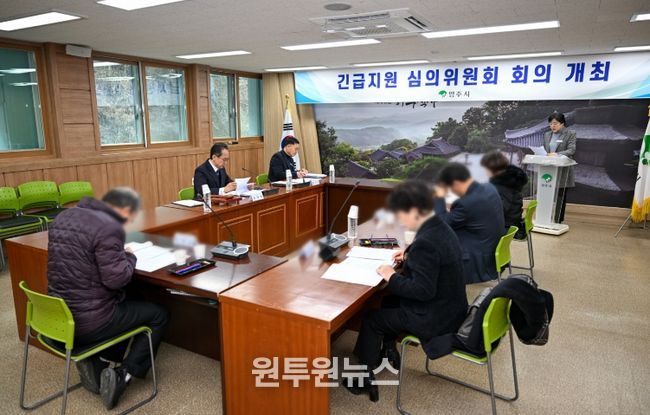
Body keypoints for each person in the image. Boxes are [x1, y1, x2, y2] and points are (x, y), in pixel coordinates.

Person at [47, 187, 169, 410]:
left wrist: (115, 253)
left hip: (57, 318)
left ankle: (99, 361)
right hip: (89, 323)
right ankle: (124, 375)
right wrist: (128, 255)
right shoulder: (108, 227)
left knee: (131, 299)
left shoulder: (62, 218)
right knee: (159, 314)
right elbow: (118, 279)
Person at [346, 180, 468, 402]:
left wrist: (390, 275)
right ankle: (388, 350)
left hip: (435, 317)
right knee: (388, 301)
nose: (399, 219)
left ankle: (363, 379)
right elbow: (433, 261)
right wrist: (409, 256)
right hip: (450, 307)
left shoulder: (426, 242)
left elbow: (422, 291)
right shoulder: (439, 226)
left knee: (372, 318)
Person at [434, 162, 504, 284]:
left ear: (456, 183)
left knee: (430, 242)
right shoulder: (489, 188)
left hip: (475, 262)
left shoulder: (465, 203)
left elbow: (440, 224)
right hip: (491, 251)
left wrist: (439, 197)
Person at [481, 150, 528, 239]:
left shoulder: (502, 185)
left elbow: (499, 210)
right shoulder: (510, 180)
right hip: (511, 221)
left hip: (505, 226)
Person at [544, 112, 576, 223]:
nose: (552, 126)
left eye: (555, 123)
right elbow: (546, 151)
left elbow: (571, 150)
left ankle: (557, 220)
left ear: (562, 123)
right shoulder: (547, 135)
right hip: (548, 169)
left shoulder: (570, 134)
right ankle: (545, 218)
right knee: (546, 192)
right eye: (550, 124)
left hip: (563, 170)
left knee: (560, 195)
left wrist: (557, 154)